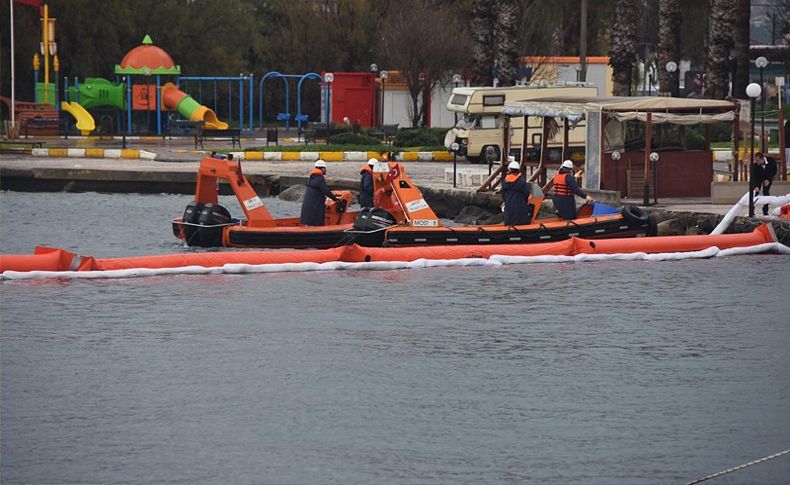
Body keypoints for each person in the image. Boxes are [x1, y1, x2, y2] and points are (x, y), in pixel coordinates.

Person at [300, 160, 341, 226]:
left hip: (308, 211)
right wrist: (335, 198)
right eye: (325, 169)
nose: (326, 170)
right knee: (315, 222)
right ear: (322, 168)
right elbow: (326, 190)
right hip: (314, 210)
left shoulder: (312, 178)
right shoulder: (319, 178)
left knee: (309, 223)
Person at [501, 158, 532, 226]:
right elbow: (526, 193)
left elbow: (503, 194)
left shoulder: (505, 181)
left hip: (509, 209)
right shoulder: (522, 181)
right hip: (520, 208)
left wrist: (507, 200)